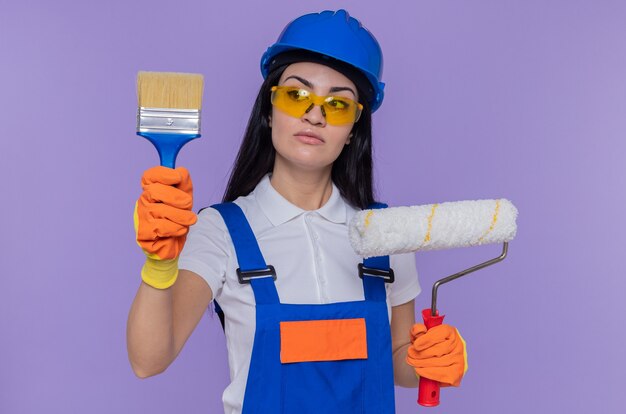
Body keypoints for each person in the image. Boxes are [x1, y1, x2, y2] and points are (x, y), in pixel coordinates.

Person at [127, 9, 467, 414]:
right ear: (269, 109)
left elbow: (396, 360)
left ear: (354, 128)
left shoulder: (386, 232)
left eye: (338, 104)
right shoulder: (220, 230)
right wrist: (158, 266)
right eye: (296, 95)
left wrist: (433, 358)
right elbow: (149, 360)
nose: (315, 114)